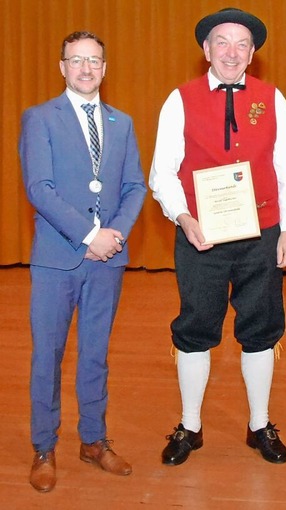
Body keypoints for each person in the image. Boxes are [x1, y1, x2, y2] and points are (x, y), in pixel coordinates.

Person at [149, 7, 286, 466]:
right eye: (222, 42)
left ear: (252, 53)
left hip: (262, 234)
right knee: (196, 327)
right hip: (202, 236)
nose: (231, 52)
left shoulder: (273, 98)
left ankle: (260, 424)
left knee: (260, 327)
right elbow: (163, 171)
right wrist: (182, 217)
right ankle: (190, 425)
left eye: (241, 44)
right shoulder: (179, 99)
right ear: (206, 50)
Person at [19, 31, 147, 492]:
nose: (86, 68)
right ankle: (43, 446)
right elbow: (40, 189)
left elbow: (135, 186)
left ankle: (93, 439)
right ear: (62, 67)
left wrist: (113, 236)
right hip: (57, 259)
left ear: (105, 68)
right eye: (77, 60)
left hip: (106, 261)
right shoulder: (39, 119)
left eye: (94, 61)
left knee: (96, 355)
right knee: (47, 356)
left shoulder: (122, 122)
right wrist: (91, 234)